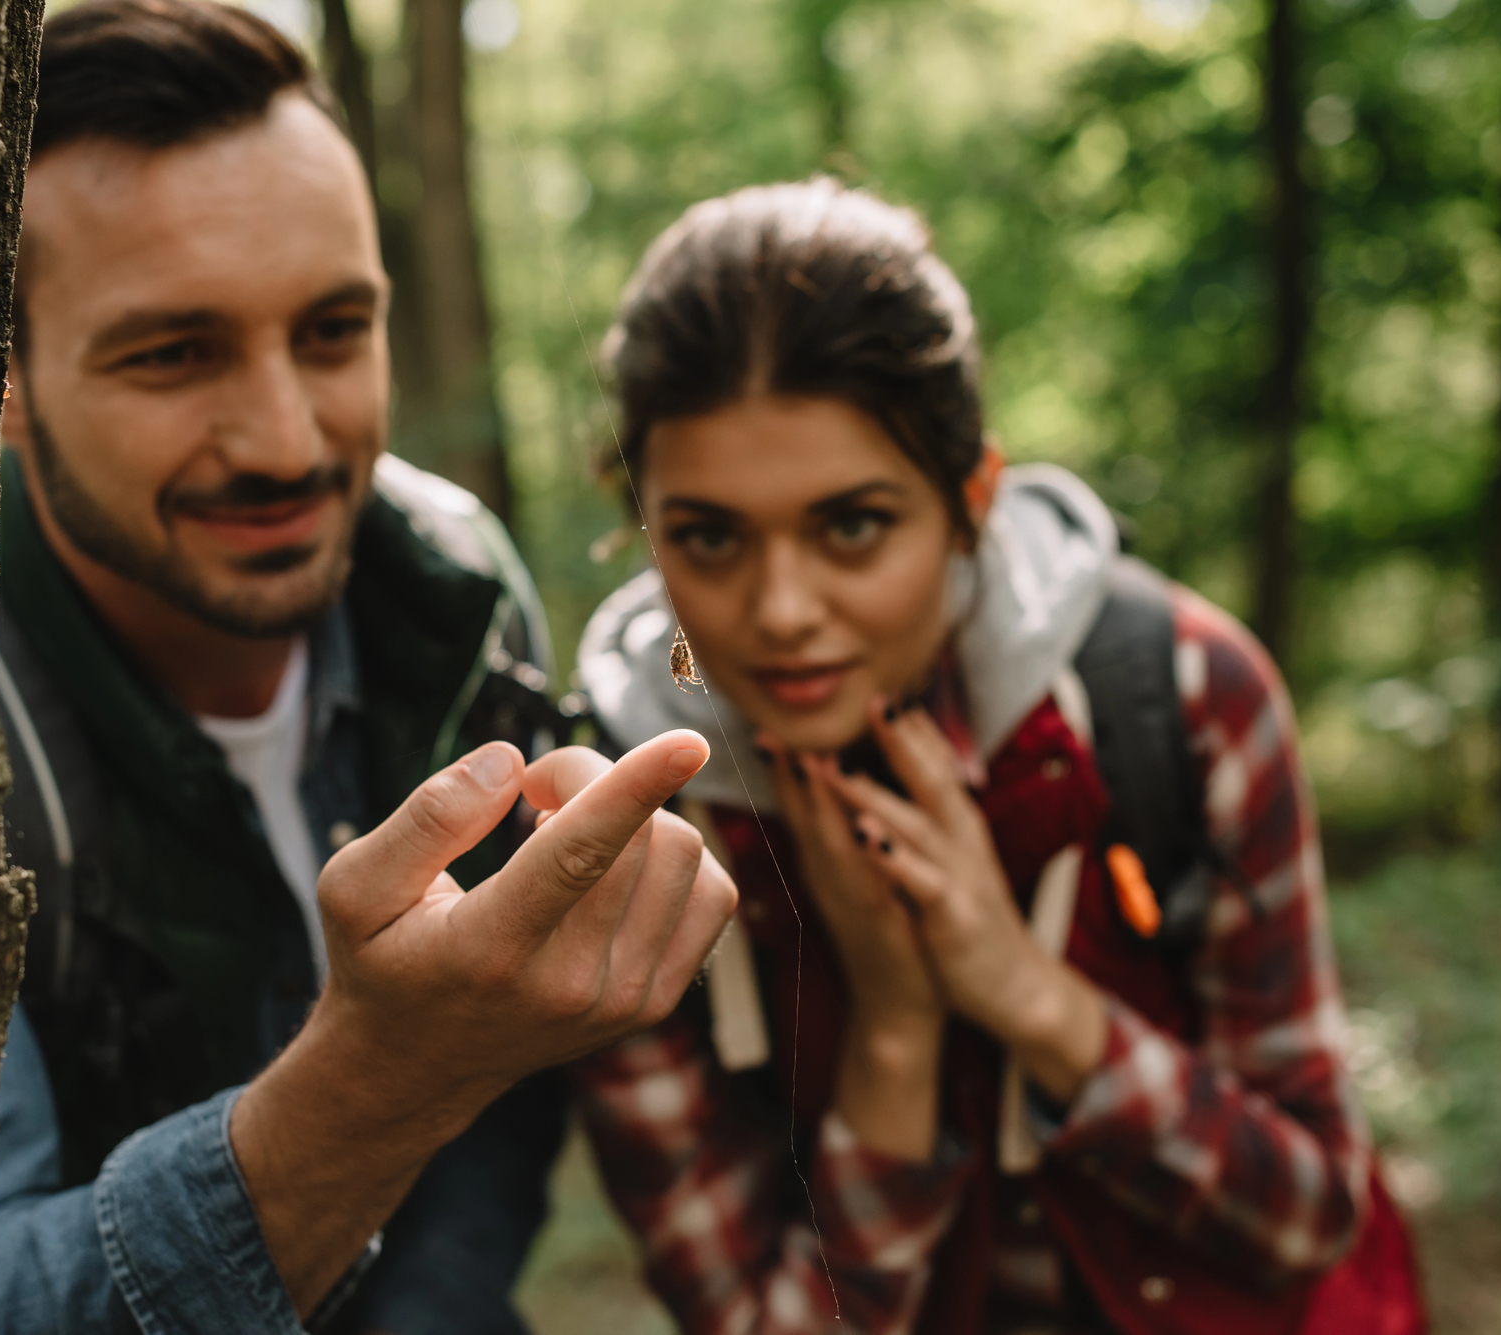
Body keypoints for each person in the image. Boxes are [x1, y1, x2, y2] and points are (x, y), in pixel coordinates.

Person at [0, 4, 736, 1332]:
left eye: (333, 331)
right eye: (172, 352)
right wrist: (370, 1081)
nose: (283, 438)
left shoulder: (447, 583)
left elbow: (493, 1129)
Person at [571, 180, 1426, 1334]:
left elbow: (1307, 1218)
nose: (780, 610)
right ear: (644, 529)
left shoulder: (1179, 697)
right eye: (709, 536)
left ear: (970, 500)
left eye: (852, 524)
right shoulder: (621, 827)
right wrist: (890, 1037)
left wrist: (1029, 999)